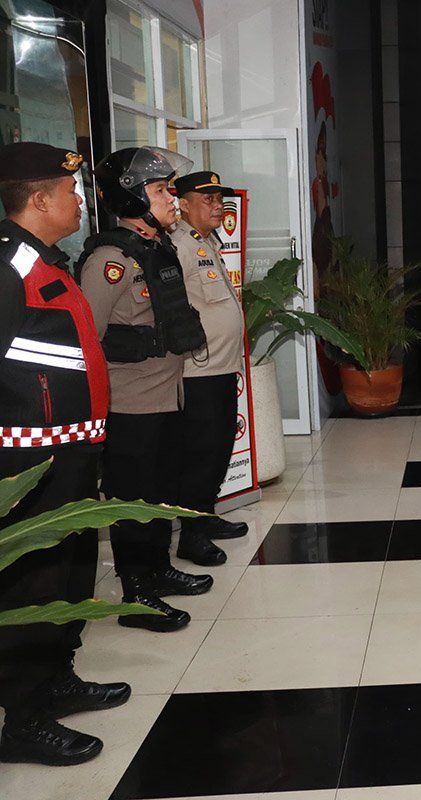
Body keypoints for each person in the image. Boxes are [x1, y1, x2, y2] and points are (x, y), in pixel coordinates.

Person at [0, 142, 128, 766]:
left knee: (73, 571)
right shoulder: (6, 267)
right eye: (71, 191)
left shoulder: (47, 259)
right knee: (33, 584)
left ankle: (56, 678)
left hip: (71, 450)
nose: (79, 200)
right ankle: (23, 717)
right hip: (27, 464)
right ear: (41, 198)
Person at [78, 147, 213, 632]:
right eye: (159, 191)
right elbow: (87, 337)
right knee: (133, 502)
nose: (171, 199)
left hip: (167, 396)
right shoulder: (109, 260)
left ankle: (157, 569)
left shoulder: (157, 248)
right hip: (131, 404)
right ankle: (137, 594)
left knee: (159, 495)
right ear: (132, 197)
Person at [168, 171, 250, 568]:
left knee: (218, 448)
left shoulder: (206, 242)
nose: (219, 206)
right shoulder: (178, 245)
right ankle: (191, 537)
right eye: (208, 199)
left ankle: (206, 515)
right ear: (182, 204)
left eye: (221, 199)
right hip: (197, 370)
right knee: (201, 453)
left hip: (220, 366)